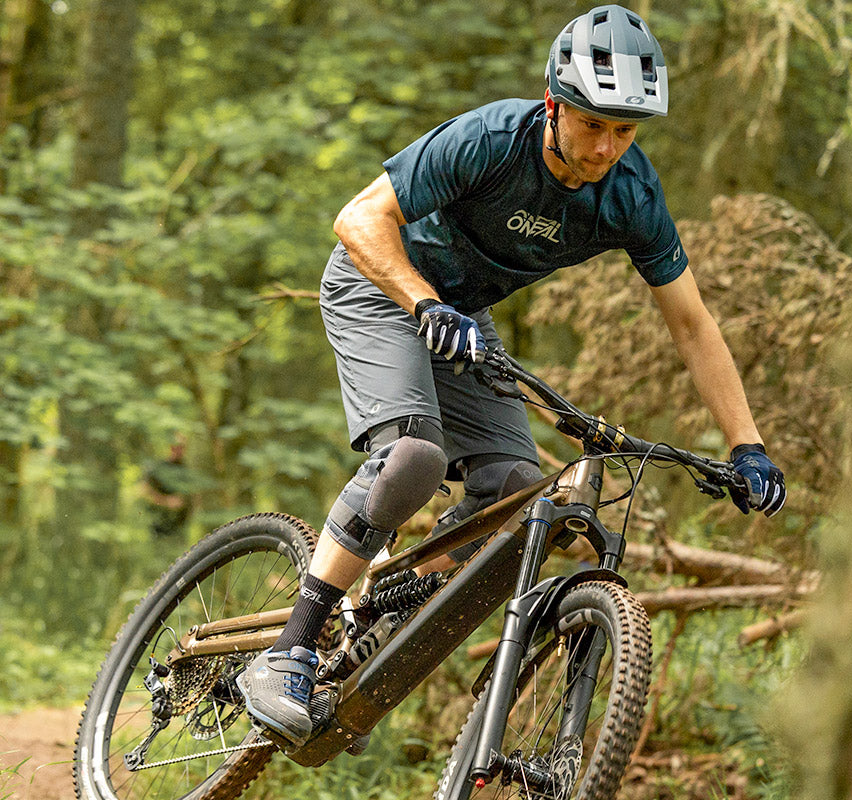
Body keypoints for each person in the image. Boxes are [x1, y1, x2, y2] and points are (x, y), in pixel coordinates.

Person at [237, 4, 786, 747]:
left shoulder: (631, 194)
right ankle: (289, 651)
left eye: (624, 131)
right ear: (555, 107)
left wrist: (745, 444)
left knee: (509, 489)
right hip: (381, 284)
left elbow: (692, 323)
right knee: (413, 457)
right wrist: (424, 301)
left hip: (459, 317)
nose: (605, 148)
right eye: (593, 124)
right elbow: (359, 219)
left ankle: (376, 626)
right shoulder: (493, 140)